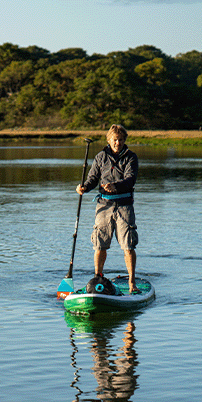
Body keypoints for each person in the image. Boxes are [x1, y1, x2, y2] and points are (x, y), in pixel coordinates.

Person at [76, 124, 140, 293]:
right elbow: (92, 178)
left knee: (128, 245)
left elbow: (130, 179)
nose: (117, 142)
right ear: (109, 140)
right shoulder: (100, 157)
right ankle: (98, 280)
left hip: (124, 206)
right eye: (114, 139)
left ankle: (132, 283)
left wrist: (115, 186)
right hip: (103, 206)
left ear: (124, 140)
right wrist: (84, 187)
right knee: (99, 245)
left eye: (120, 139)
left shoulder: (131, 157)